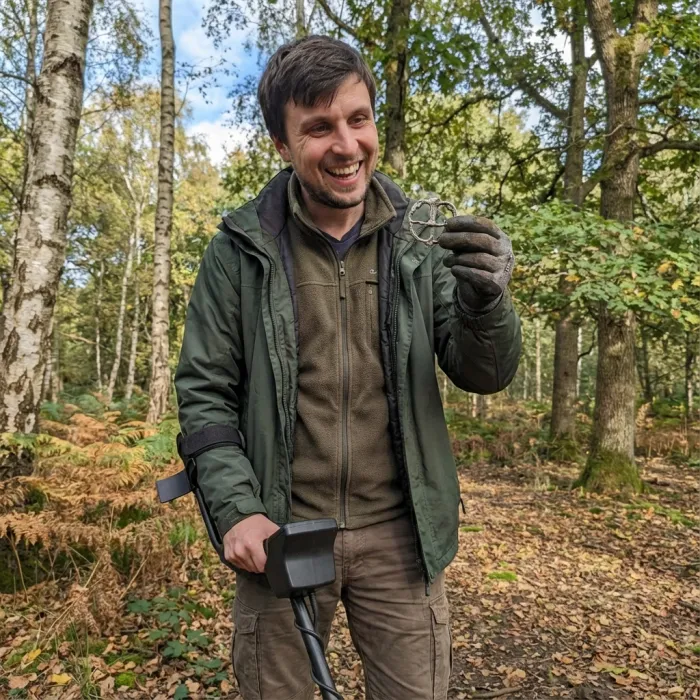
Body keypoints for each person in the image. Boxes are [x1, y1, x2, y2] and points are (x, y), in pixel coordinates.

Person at [175, 35, 521, 700]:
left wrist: (486, 304)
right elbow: (204, 395)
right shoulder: (240, 251)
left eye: (358, 119)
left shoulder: (420, 241)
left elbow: (484, 373)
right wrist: (237, 510)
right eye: (319, 128)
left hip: (400, 538)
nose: (346, 145)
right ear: (282, 145)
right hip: (281, 535)